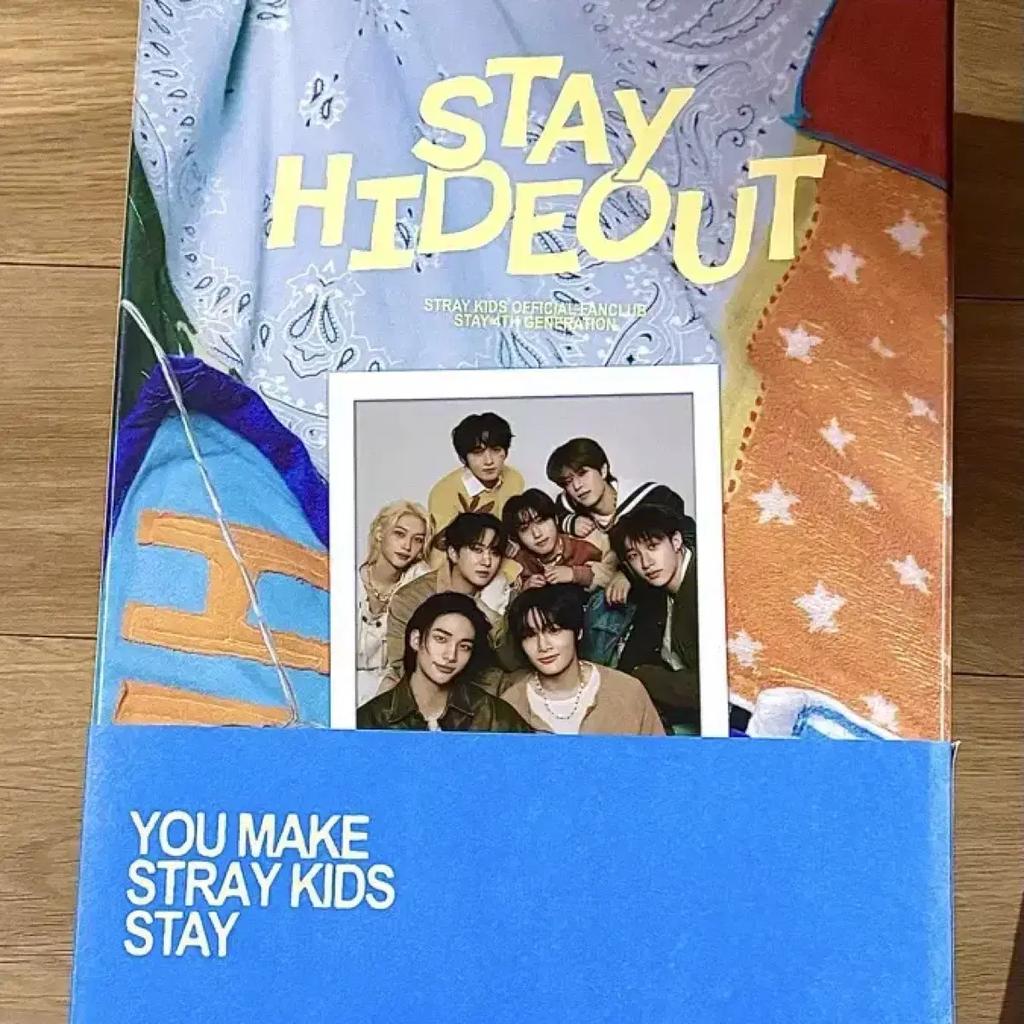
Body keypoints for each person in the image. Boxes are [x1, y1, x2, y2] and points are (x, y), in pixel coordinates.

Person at [499, 584, 665, 735]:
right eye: (529, 635)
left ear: (578, 632)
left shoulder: (627, 691)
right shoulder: (510, 705)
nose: (543, 646)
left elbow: (660, 756)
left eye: (554, 631)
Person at [544, 437, 694, 604]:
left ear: (603, 470)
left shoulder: (652, 497)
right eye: (568, 482)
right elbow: (553, 513)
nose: (577, 486)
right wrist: (571, 522)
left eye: (583, 473)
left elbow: (687, 535)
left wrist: (628, 573)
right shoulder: (568, 505)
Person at [358, 593, 532, 732]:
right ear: (416, 640)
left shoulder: (493, 716)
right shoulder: (371, 720)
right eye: (441, 639)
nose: (451, 656)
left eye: (464, 646)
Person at [384, 512, 516, 684]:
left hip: (482, 691)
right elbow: (402, 666)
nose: (487, 561)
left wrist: (487, 612)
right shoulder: (411, 598)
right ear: (453, 553)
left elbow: (513, 663)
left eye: (494, 552)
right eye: (477, 550)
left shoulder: (503, 595)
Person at [610, 504, 700, 733]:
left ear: (676, 541)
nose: (646, 563)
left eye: (653, 546)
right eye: (634, 556)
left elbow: (709, 687)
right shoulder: (655, 592)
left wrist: (643, 676)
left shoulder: (704, 584)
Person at [356, 500, 433, 705]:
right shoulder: (347, 582)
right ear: (380, 533)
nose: (407, 546)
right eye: (399, 534)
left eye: (417, 540)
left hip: (390, 693)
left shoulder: (419, 584)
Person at [427, 411, 525, 542]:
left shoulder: (514, 478)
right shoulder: (443, 493)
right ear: (463, 458)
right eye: (478, 453)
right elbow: (441, 547)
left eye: (496, 450)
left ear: (506, 452)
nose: (489, 461)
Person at [501, 488, 602, 591]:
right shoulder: (520, 562)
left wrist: (574, 574)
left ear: (556, 519)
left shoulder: (582, 548)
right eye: (525, 529)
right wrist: (525, 589)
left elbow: (605, 576)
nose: (537, 534)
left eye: (540, 521)